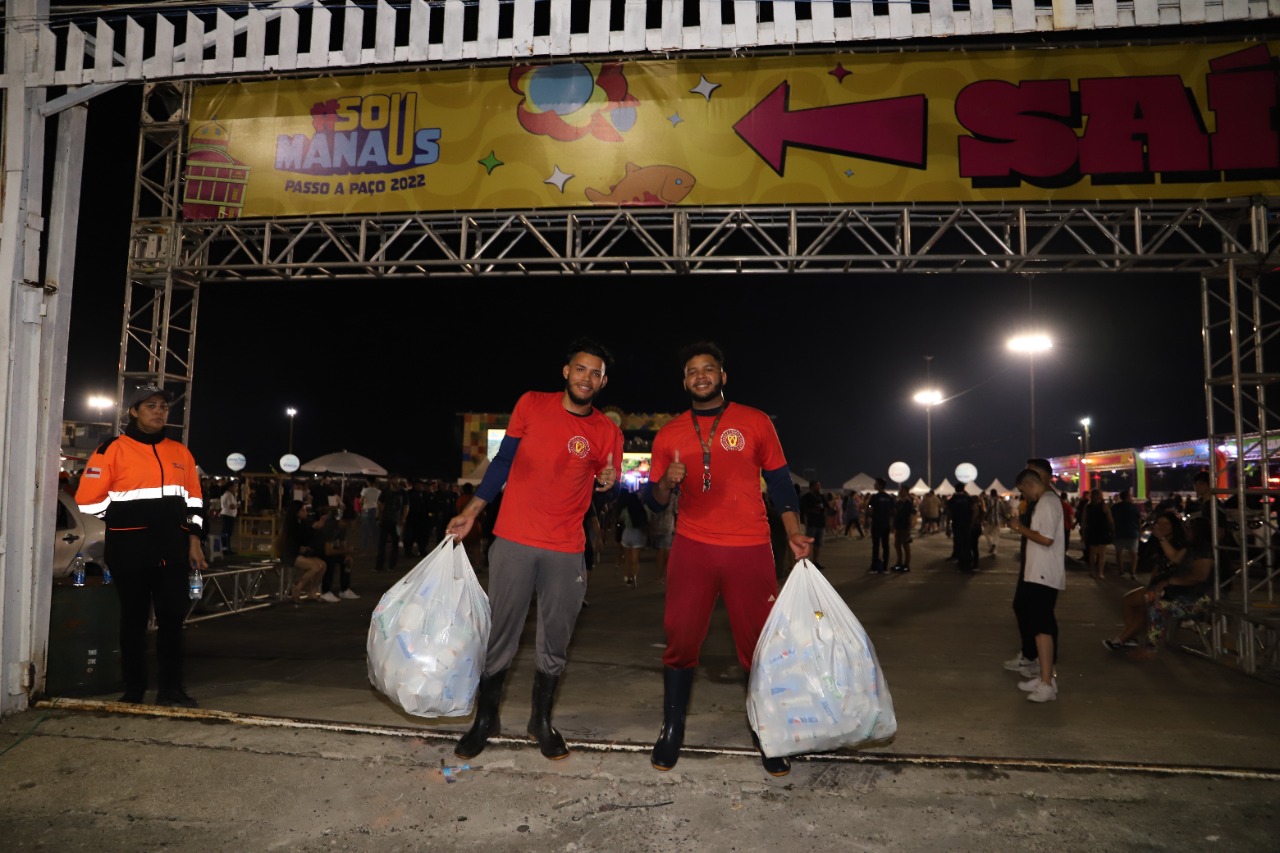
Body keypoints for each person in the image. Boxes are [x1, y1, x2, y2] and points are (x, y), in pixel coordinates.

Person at [448, 339, 623, 762]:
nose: (586, 378)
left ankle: (540, 721)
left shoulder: (607, 432)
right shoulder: (531, 404)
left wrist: (609, 482)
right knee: (501, 632)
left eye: (595, 373)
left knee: (556, 637)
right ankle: (486, 719)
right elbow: (503, 462)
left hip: (566, 548)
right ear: (566, 371)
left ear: (603, 382)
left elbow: (609, 485)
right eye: (580, 369)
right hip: (514, 539)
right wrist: (472, 511)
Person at [644, 342, 812, 778]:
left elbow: (780, 482)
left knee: (758, 645)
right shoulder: (669, 433)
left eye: (708, 369)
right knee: (680, 638)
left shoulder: (755, 421)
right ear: (684, 381)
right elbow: (655, 501)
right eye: (692, 370)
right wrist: (666, 482)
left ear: (723, 376)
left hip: (750, 547)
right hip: (692, 547)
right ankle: (672, 728)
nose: (700, 376)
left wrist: (793, 531)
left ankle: (766, 730)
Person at [75, 383, 207, 707]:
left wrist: (194, 540)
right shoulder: (111, 450)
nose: (159, 411)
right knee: (133, 622)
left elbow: (195, 502)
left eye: (163, 406)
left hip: (173, 552)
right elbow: (87, 501)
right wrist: (123, 521)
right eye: (151, 406)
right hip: (128, 553)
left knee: (172, 622)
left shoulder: (181, 453)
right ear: (133, 412)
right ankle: (133, 690)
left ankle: (171, 690)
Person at [1104, 515, 1213, 656]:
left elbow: (1199, 576)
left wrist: (1169, 582)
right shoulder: (1188, 546)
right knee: (1133, 601)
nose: (1162, 527)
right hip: (1175, 589)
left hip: (1195, 596)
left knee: (1152, 606)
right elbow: (1170, 558)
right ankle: (1130, 637)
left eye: (1166, 524)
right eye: (1159, 524)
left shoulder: (1201, 549)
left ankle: (1143, 646)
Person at [1007, 468, 1065, 703]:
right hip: (1037, 574)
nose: (1025, 496)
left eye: (1023, 491)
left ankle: (1047, 684)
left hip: (1044, 574)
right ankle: (1044, 677)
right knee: (1038, 625)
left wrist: (1018, 527)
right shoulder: (1045, 502)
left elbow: (1046, 538)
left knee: (1042, 629)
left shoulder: (1048, 503)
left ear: (1029, 484)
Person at [281, 499, 327, 601]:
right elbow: (301, 539)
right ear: (296, 513)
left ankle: (313, 590)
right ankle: (298, 588)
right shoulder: (292, 525)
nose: (306, 512)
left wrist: (315, 527)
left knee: (323, 565)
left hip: (300, 553)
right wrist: (313, 528)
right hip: (291, 554)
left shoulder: (302, 523)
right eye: (303, 510)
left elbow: (306, 539)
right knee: (315, 567)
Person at [374, 477, 406, 572]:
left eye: (396, 479)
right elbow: (379, 505)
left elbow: (406, 506)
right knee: (381, 544)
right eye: (393, 479)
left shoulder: (403, 492)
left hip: (397, 521)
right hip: (385, 520)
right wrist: (378, 518)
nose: (395, 481)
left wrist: (403, 519)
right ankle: (379, 566)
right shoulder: (385, 491)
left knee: (395, 544)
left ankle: (392, 565)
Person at [1082, 488, 1115, 579]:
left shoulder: (1088, 507)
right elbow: (1110, 519)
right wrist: (1113, 530)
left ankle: (1092, 571)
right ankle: (1100, 572)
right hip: (1102, 531)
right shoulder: (1104, 506)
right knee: (1102, 553)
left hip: (1092, 530)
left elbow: (1084, 521)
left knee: (1092, 553)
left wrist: (1084, 533)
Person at [618, 488, 648, 585]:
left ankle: (626, 577)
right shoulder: (641, 510)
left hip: (626, 534)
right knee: (635, 559)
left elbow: (620, 519)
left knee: (627, 559)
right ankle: (634, 576)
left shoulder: (626, 510)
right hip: (637, 534)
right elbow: (645, 522)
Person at [1111, 489, 1142, 579]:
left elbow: (1111, 520)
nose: (1132, 497)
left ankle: (1121, 571)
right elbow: (1139, 520)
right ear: (1127, 497)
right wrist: (1140, 532)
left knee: (1119, 553)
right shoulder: (1134, 507)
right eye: (1130, 496)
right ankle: (1132, 572)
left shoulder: (1115, 507)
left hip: (1119, 532)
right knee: (1133, 554)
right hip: (1132, 532)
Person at [866, 479, 895, 573]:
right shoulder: (889, 497)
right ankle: (885, 567)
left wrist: (869, 511)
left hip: (876, 524)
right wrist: (891, 524)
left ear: (880, 485)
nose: (874, 485)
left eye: (876, 484)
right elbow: (892, 511)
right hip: (885, 524)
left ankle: (874, 567)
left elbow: (870, 508)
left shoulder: (874, 497)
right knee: (885, 545)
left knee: (876, 546)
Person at [799, 480, 827, 563]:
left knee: (818, 544)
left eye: (819, 485)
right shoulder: (806, 497)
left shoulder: (821, 496)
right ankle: (807, 562)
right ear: (811, 487)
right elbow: (803, 510)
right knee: (809, 543)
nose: (819, 487)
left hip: (820, 523)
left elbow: (827, 506)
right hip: (811, 523)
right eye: (817, 486)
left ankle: (815, 561)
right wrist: (814, 510)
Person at [891, 486, 916, 572]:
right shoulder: (898, 502)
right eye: (900, 491)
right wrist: (893, 525)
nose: (900, 492)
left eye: (902, 491)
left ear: (906, 492)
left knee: (905, 545)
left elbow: (911, 515)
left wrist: (910, 526)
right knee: (897, 545)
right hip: (898, 526)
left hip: (905, 526)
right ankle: (899, 563)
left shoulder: (909, 503)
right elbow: (895, 514)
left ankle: (906, 564)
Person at [358, 479, 381, 551]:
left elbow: (360, 501)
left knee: (365, 529)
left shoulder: (365, 490)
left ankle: (364, 547)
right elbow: (379, 502)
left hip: (366, 510)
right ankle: (376, 546)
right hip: (375, 510)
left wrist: (362, 507)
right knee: (375, 530)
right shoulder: (379, 491)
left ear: (368, 482)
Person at [218, 480, 239, 555]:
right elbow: (232, 506)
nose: (236, 488)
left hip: (227, 515)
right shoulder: (229, 495)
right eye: (235, 486)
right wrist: (238, 505)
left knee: (227, 533)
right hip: (228, 516)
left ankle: (227, 549)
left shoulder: (227, 494)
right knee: (226, 533)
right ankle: (226, 550)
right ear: (230, 487)